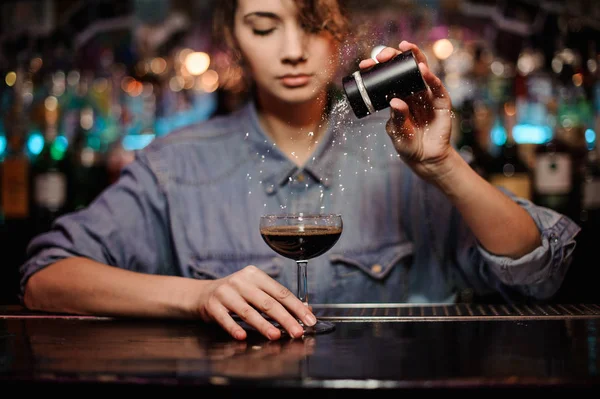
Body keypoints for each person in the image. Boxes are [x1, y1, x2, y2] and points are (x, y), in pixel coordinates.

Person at [19, 0, 580, 341]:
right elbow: (46, 279)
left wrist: (444, 165)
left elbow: (541, 274)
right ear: (233, 40)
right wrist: (196, 297)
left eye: (310, 25)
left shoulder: (399, 152)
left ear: (337, 33)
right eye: (264, 27)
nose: (292, 50)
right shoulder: (178, 163)